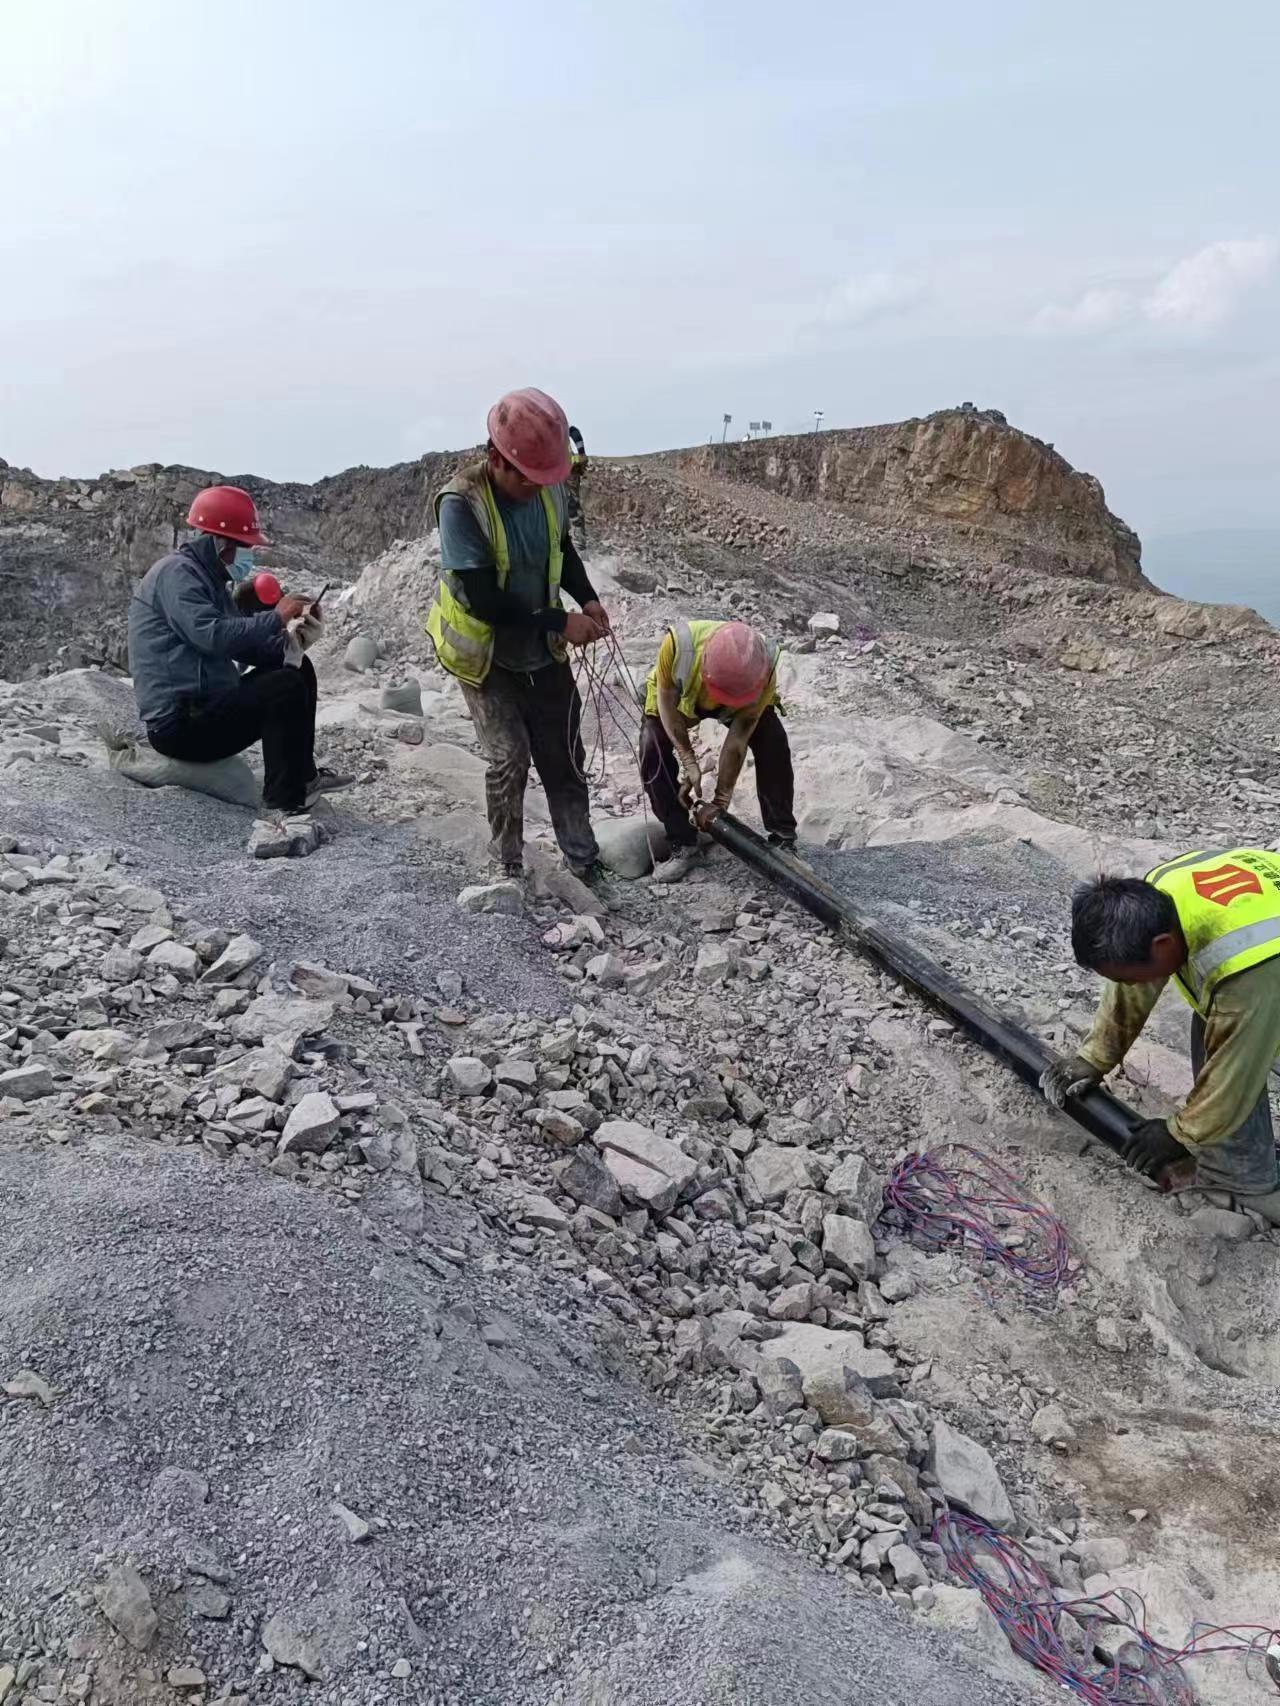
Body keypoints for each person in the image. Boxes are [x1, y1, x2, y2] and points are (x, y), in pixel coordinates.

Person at [426, 387, 611, 883]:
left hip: (541, 651)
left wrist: (586, 598)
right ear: (495, 458)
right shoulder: (461, 503)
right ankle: (507, 864)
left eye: (544, 480)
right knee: (510, 758)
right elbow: (485, 599)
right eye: (527, 480)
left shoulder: (547, 485)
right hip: (487, 657)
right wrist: (560, 621)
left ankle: (583, 859)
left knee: (565, 755)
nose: (537, 490)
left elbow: (562, 548)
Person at [1042, 848, 1280, 1204]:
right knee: (1215, 1022)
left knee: (1233, 1040)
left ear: (1163, 945)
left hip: (1268, 969)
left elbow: (1236, 1069)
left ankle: (1250, 1183)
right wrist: (1095, 1057)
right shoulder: (1158, 897)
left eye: (1127, 978)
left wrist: (1178, 1134)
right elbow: (1132, 987)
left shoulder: (1245, 969)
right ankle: (1238, 1163)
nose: (1129, 985)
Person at [127, 485, 346, 815]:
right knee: (283, 688)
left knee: (298, 669)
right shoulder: (177, 575)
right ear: (220, 542)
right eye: (245, 547)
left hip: (204, 707)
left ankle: (304, 777)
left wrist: (293, 643)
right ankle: (281, 806)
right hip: (179, 723)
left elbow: (244, 647)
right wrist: (275, 616)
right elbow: (213, 636)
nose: (250, 555)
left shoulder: (209, 580)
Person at [639, 619, 796, 883]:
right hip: (681, 697)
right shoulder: (677, 646)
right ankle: (683, 841)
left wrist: (721, 800)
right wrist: (688, 759)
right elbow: (666, 701)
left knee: (773, 740)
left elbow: (737, 742)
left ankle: (783, 839)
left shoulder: (763, 666)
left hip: (746, 700)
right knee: (652, 745)